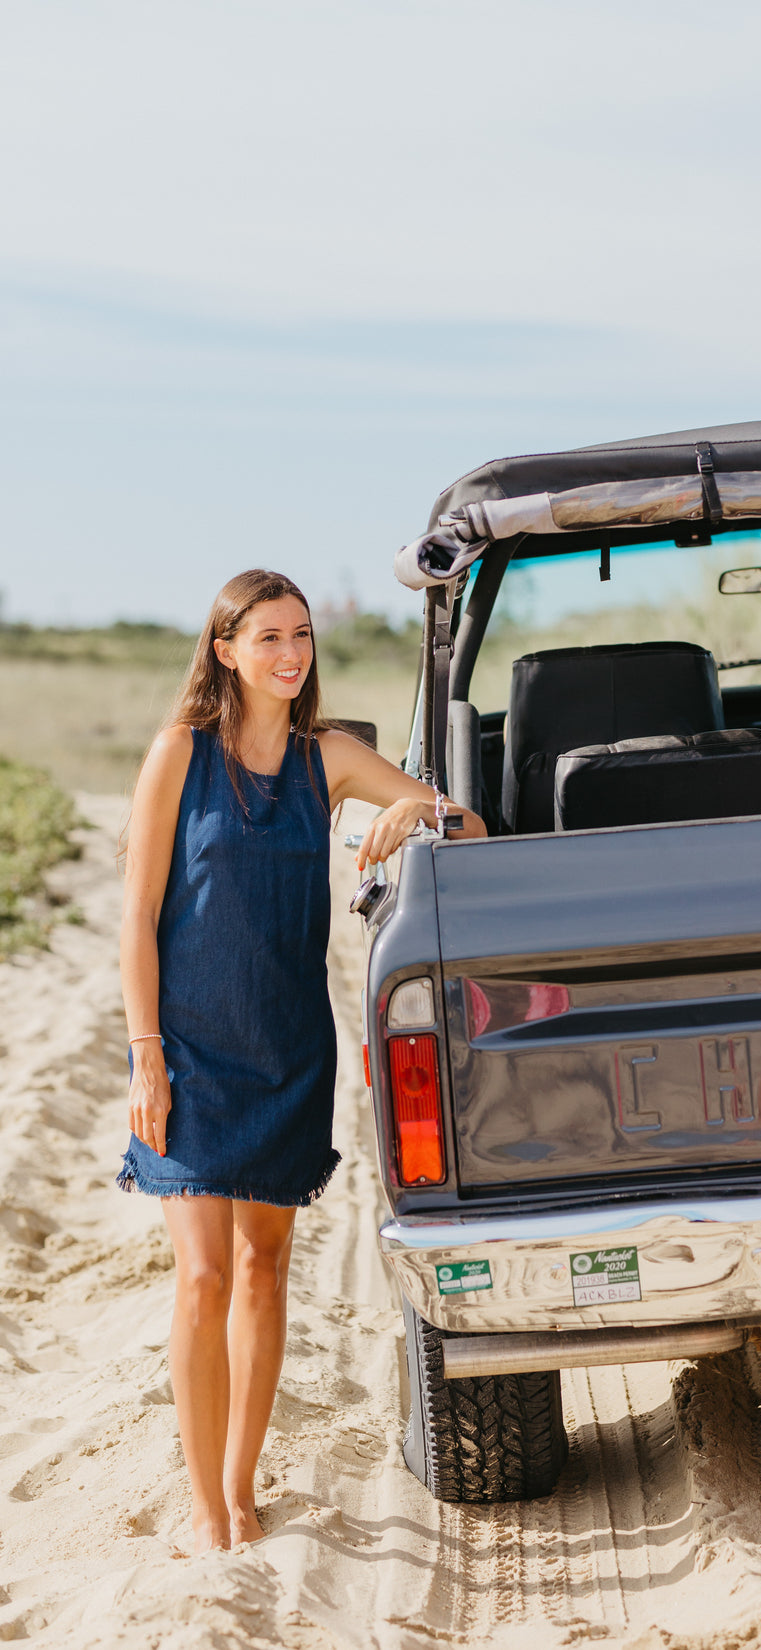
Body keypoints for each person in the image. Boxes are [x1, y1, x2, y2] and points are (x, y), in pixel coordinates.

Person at [119, 568, 485, 1553]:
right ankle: (205, 1506)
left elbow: (467, 824)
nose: (289, 655)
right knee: (201, 1278)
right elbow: (137, 917)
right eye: (268, 637)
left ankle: (241, 1489)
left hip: (286, 1050)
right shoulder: (179, 755)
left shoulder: (330, 758)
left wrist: (413, 812)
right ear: (224, 649)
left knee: (264, 1271)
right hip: (190, 1051)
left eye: (303, 636)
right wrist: (145, 1051)